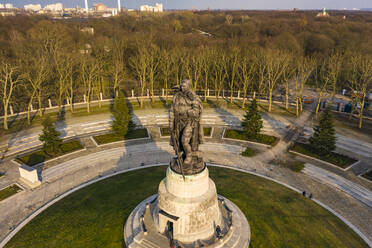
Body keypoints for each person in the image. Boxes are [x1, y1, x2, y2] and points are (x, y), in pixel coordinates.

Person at [169, 79, 204, 174]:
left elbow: (197, 112)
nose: (181, 87)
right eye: (181, 86)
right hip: (178, 122)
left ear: (188, 86)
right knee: (178, 141)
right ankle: (182, 154)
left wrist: (186, 112)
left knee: (185, 140)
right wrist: (171, 123)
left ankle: (188, 156)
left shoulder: (193, 97)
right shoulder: (176, 96)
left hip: (190, 122)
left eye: (184, 86)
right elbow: (172, 110)